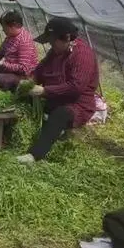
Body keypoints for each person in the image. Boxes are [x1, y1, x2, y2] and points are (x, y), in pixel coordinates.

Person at [16, 17, 99, 163]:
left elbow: (76, 87)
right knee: (23, 98)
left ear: (67, 38)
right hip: (55, 98)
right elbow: (41, 68)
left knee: (60, 115)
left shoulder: (82, 55)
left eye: (53, 41)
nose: (51, 45)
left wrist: (43, 91)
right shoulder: (55, 51)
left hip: (76, 104)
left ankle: (35, 155)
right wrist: (31, 81)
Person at [0, 10, 38, 92]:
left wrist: (2, 64)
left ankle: (16, 86)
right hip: (8, 69)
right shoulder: (10, 37)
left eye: (4, 27)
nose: (3, 30)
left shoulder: (24, 41)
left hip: (22, 76)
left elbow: (24, 69)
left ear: (14, 25)